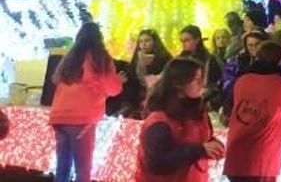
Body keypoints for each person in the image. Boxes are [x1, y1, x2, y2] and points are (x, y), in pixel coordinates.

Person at [49, 22, 123, 182]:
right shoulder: (100, 58)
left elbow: (56, 79)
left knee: (62, 167)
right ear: (100, 38)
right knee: (83, 170)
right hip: (82, 119)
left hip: (59, 117)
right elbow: (113, 88)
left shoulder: (70, 58)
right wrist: (118, 80)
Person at [223, 42, 281, 181]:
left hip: (237, 150)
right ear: (280, 60)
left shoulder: (241, 79)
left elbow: (227, 110)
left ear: (257, 57)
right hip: (264, 154)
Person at [136, 58, 225, 181]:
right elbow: (157, 163)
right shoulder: (158, 121)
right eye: (196, 80)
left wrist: (214, 146)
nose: (202, 85)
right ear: (179, 83)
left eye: (202, 80)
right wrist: (200, 150)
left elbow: (205, 138)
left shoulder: (199, 111)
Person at [111, 29, 173, 118]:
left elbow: (165, 79)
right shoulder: (137, 58)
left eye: (147, 40)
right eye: (140, 41)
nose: (143, 44)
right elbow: (134, 78)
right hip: (137, 97)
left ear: (155, 42)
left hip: (158, 98)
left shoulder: (165, 58)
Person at [222, 31, 269, 115]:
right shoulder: (237, 61)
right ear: (246, 46)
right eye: (250, 45)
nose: (254, 47)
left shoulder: (271, 60)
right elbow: (227, 82)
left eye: (257, 44)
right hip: (241, 101)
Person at [179, 25, 223, 110]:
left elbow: (218, 85)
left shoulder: (209, 60)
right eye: (182, 41)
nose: (183, 44)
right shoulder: (180, 61)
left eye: (187, 40)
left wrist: (208, 95)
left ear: (197, 40)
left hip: (205, 103)